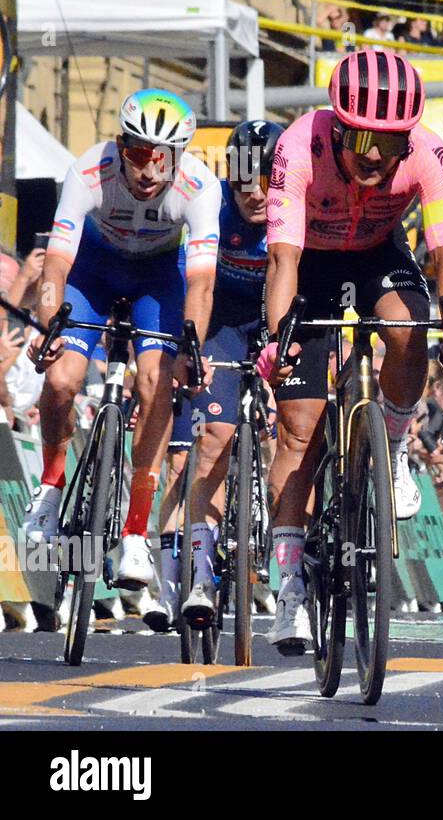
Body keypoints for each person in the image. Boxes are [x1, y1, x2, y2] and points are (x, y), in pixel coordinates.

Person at [260, 48, 443, 654]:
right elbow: (283, 260)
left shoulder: (430, 153)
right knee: (299, 434)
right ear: (338, 125)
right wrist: (281, 343)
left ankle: (396, 445)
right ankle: (292, 586)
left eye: (389, 141)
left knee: (414, 330)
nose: (375, 155)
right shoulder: (299, 147)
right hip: (310, 264)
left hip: (380, 254)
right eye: (361, 139)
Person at [23, 90, 219, 596]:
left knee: (157, 384)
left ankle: (136, 532)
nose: (149, 169)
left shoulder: (201, 186)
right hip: (94, 268)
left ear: (179, 157)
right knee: (63, 377)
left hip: (161, 276)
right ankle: (50, 485)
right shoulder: (89, 170)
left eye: (163, 157)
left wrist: (191, 347)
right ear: (119, 145)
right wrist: (49, 325)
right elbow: (57, 264)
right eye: (138, 153)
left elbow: (200, 284)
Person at [147, 120, 281, 633]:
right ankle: (200, 574)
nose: (257, 194)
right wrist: (190, 347)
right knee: (212, 443)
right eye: (246, 182)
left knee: (295, 428)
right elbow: (193, 286)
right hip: (220, 320)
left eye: (268, 180)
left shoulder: (296, 208)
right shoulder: (212, 204)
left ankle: (291, 537)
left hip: (272, 317)